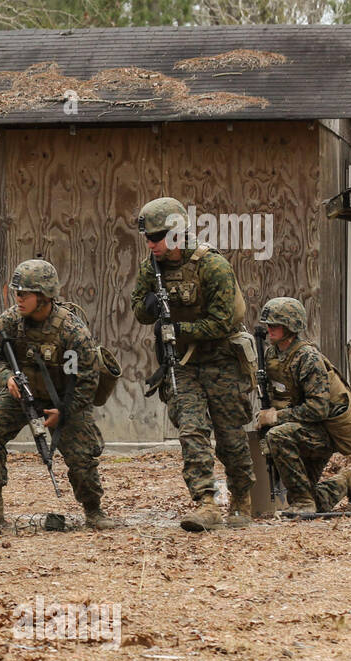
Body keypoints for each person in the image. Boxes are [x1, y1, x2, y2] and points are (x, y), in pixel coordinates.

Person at [0, 259, 117, 530]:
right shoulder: (10, 321)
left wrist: (65, 411)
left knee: (81, 455)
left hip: (65, 400)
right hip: (22, 393)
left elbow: (88, 380)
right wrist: (6, 377)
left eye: (24, 294)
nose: (17, 298)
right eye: (16, 292)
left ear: (44, 296)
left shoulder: (73, 332)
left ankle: (94, 510)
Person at [132, 196, 255, 531]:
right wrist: (151, 305)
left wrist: (179, 329)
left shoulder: (212, 266)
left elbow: (221, 322)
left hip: (221, 360)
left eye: (157, 237)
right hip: (183, 365)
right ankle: (206, 502)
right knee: (191, 430)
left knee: (230, 437)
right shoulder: (151, 267)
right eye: (147, 238)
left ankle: (242, 498)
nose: (151, 244)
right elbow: (137, 309)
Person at [256, 297, 351, 513]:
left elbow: (318, 409)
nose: (270, 329)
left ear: (291, 326)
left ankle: (303, 503)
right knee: (313, 498)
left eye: (276, 325)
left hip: (323, 432)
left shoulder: (308, 357)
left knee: (277, 435)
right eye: (268, 324)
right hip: (302, 430)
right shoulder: (272, 355)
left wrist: (277, 417)